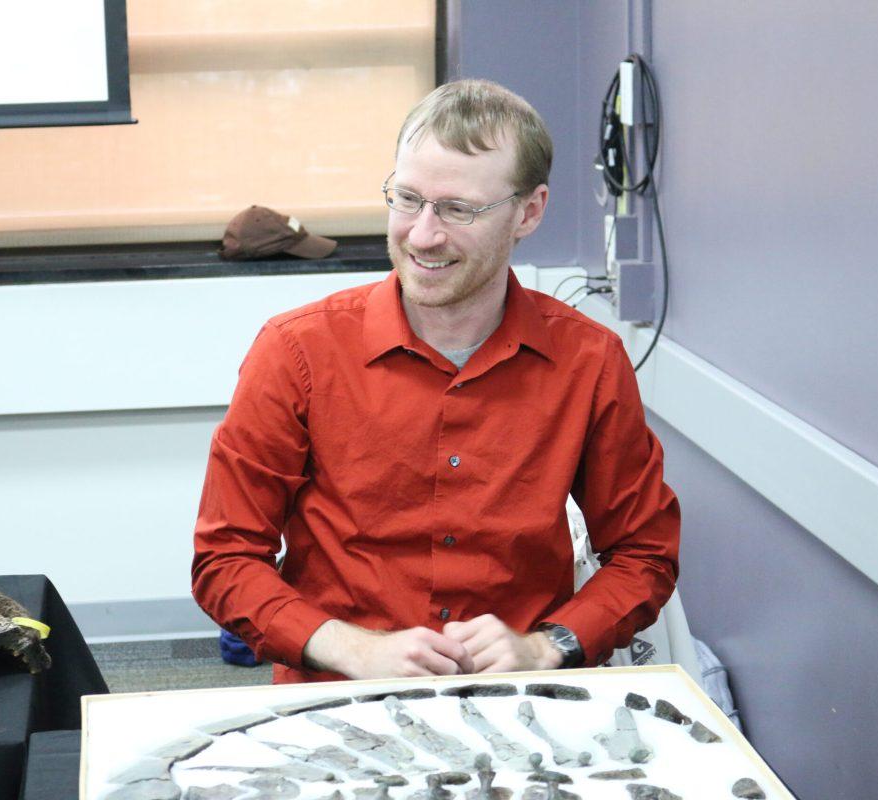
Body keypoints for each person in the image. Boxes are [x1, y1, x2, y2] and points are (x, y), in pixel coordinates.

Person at [192, 79, 680, 684]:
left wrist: (547, 646)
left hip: (520, 696)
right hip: (337, 699)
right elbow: (226, 559)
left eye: (458, 209)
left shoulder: (589, 361)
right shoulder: (297, 352)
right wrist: (352, 648)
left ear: (529, 212)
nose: (422, 234)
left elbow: (644, 555)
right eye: (407, 199)